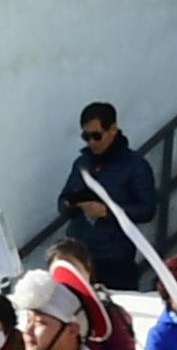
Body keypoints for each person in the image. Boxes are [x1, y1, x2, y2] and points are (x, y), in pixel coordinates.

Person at [59, 100, 156, 292]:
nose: (92, 142)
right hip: (79, 255)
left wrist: (108, 211)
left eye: (96, 136)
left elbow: (147, 209)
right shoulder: (82, 163)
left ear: (113, 129)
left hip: (115, 260)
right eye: (86, 137)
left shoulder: (136, 165)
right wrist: (72, 204)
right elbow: (61, 203)